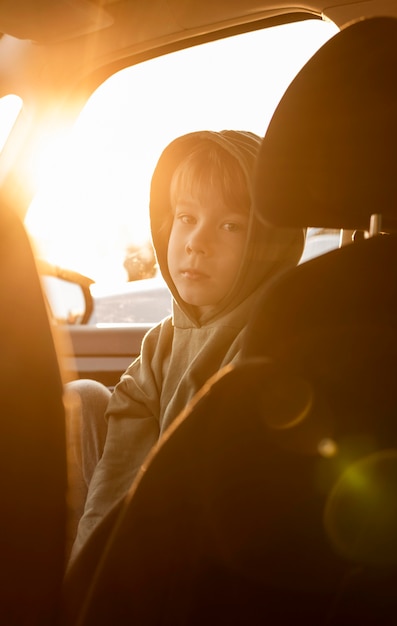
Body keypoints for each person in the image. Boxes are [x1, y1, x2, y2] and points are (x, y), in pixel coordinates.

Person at [67, 129, 305, 563]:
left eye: (230, 225)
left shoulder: (264, 342)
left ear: (268, 245)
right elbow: (119, 471)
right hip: (131, 532)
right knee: (83, 399)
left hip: (191, 549)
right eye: (186, 218)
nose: (197, 241)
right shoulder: (162, 340)